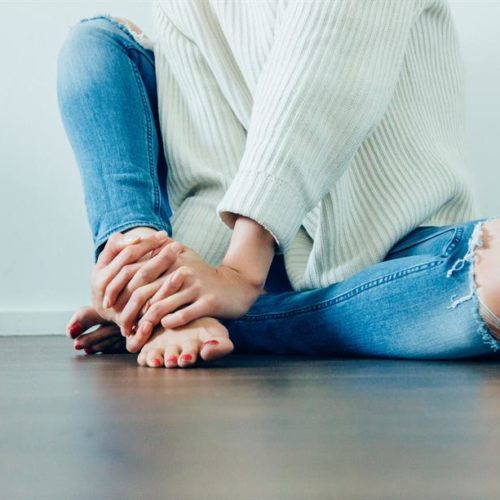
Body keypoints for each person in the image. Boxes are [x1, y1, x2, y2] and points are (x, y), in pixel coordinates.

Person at [56, 1, 500, 369]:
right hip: (275, 260)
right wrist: (174, 286)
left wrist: (237, 276)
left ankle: (230, 320)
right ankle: (139, 276)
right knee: (95, 44)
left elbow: (320, 81)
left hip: (404, 248)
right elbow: (212, 170)